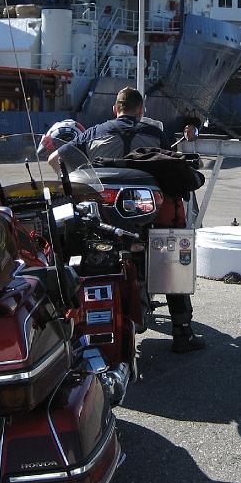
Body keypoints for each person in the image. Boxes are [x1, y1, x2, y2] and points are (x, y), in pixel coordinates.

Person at [49, 86, 205, 353]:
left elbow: (55, 158)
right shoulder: (155, 133)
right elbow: (171, 165)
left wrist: (74, 180)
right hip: (148, 216)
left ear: (115, 109)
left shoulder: (95, 132)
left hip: (104, 217)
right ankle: (182, 332)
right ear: (141, 110)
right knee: (171, 257)